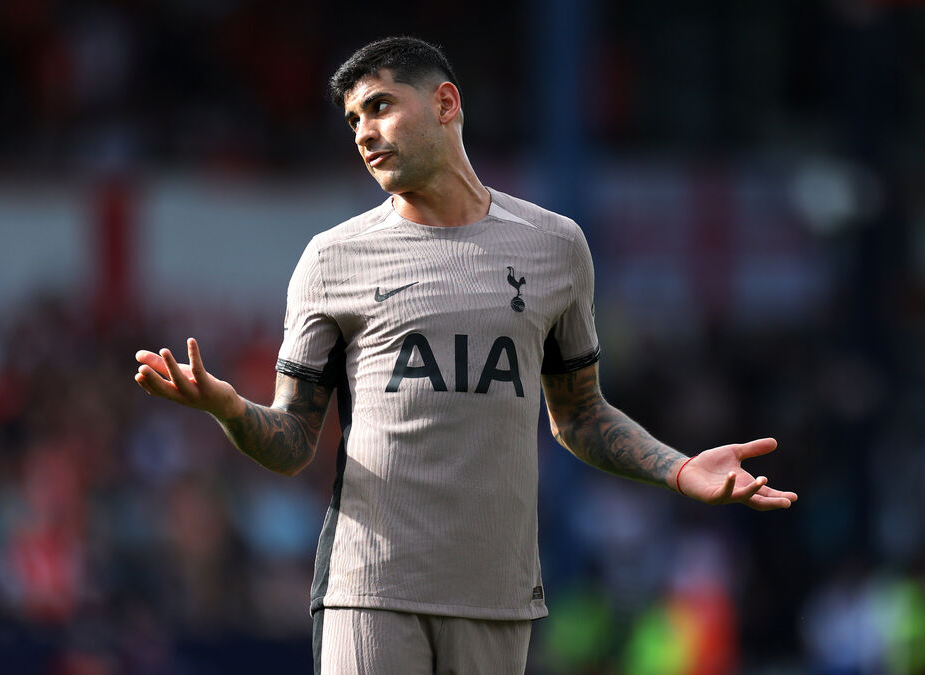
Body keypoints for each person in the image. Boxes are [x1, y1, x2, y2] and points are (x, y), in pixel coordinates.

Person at [134, 36, 797, 675]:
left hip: (496, 597)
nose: (364, 132)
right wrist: (227, 408)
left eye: (380, 106)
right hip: (371, 589)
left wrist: (680, 469)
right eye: (353, 119)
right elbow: (291, 442)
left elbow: (580, 417)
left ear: (446, 104)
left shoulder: (555, 247)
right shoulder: (332, 258)